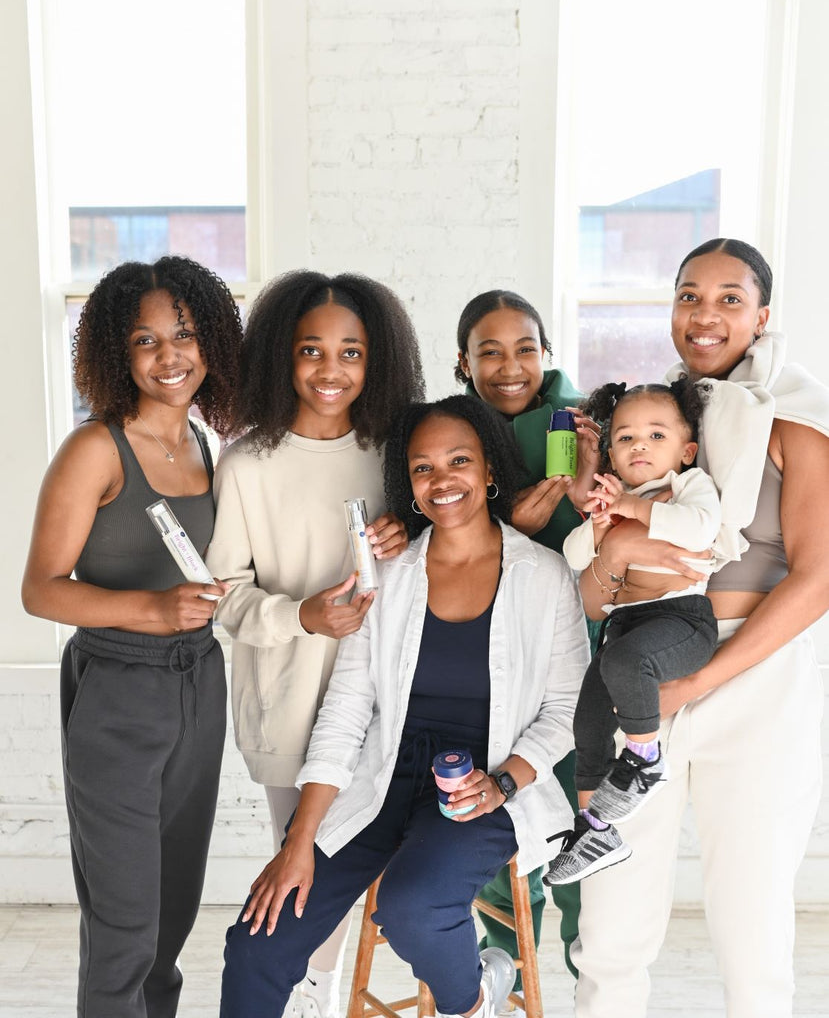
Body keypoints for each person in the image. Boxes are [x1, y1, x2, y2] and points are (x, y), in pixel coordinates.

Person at [218, 395, 591, 1018]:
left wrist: (503, 782)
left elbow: (566, 708)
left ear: (490, 470)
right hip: (383, 775)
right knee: (258, 942)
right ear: (410, 487)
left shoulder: (545, 575)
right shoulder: (388, 577)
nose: (443, 480)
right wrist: (298, 840)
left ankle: (474, 998)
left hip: (485, 782)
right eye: (423, 468)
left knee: (412, 907)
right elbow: (346, 710)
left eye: (460, 461)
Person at [571, 238, 829, 1018]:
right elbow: (591, 592)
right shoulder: (653, 424)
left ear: (762, 313)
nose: (705, 314)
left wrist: (701, 682)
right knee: (611, 920)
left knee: (749, 924)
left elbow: (817, 579)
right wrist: (613, 547)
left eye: (728, 297)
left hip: (757, 679)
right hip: (639, 660)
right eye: (688, 295)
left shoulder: (794, 417)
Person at [21, 256, 243, 1018]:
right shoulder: (94, 450)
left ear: (210, 340)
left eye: (183, 334)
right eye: (144, 340)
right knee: (124, 925)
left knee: (172, 917)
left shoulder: (209, 449)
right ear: (117, 352)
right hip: (117, 688)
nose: (168, 355)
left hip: (199, 685)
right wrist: (152, 612)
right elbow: (39, 589)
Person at [205, 270, 425, 1018]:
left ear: (378, 359)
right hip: (290, 709)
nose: (330, 371)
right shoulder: (245, 466)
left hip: (392, 707)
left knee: (387, 878)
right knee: (311, 870)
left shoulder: (398, 454)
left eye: (351, 352)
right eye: (310, 349)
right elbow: (223, 600)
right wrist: (303, 617)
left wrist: (411, 534)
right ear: (279, 355)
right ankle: (314, 998)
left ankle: (324, 993)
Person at [454, 290, 600, 978]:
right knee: (503, 812)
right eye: (489, 351)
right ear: (463, 361)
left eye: (525, 349)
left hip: (586, 653)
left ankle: (587, 960)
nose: (510, 366)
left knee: (582, 808)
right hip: (492, 658)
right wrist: (513, 531)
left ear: (546, 353)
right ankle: (504, 959)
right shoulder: (449, 436)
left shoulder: (583, 425)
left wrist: (594, 487)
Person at [544, 379, 720, 885]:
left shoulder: (689, 487)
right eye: (624, 438)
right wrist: (599, 528)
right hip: (623, 626)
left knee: (625, 664)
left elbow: (699, 530)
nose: (638, 445)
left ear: (686, 451)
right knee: (588, 721)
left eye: (655, 435)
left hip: (681, 619)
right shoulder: (610, 501)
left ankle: (644, 758)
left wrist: (634, 510)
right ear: (611, 456)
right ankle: (594, 828)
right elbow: (576, 562)